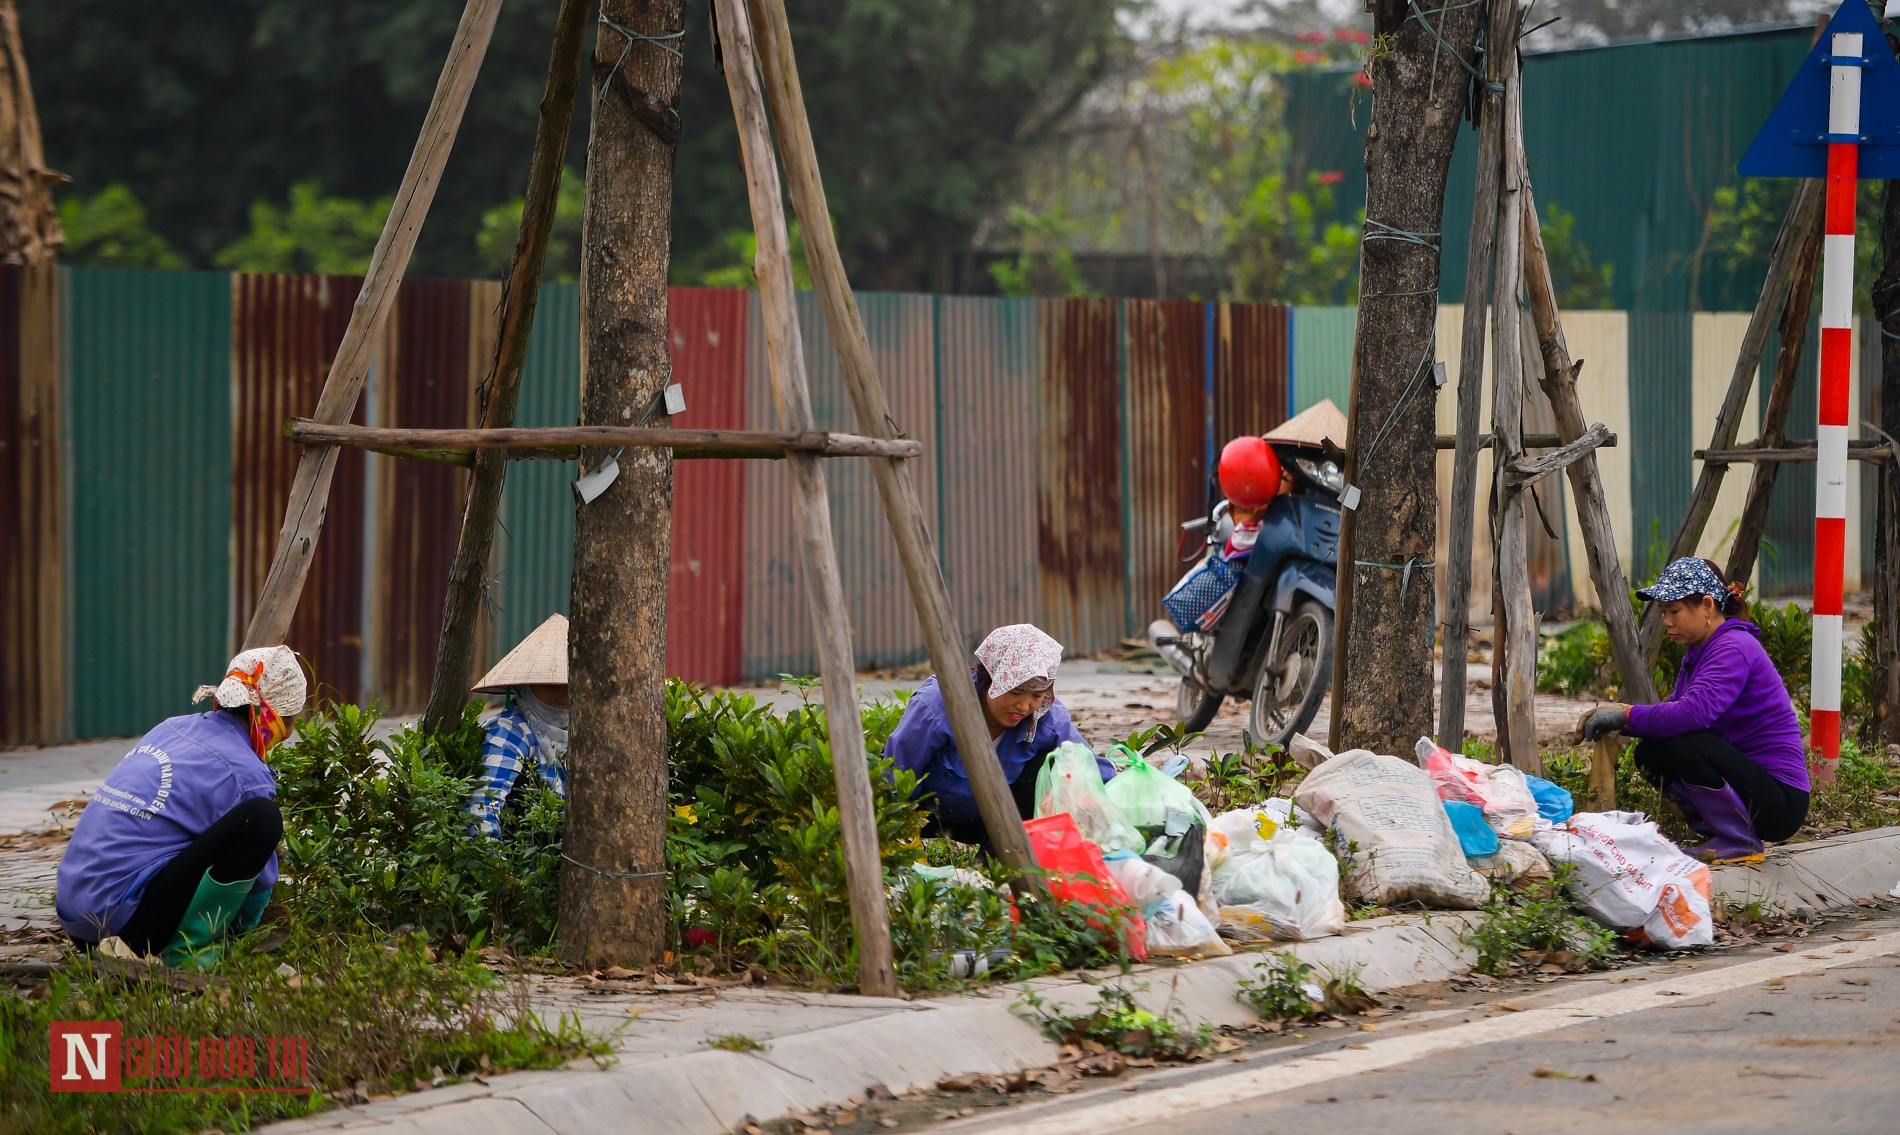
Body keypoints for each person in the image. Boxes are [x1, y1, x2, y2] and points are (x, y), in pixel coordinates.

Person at [55, 646, 305, 966]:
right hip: (123, 929)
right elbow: (261, 880)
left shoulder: (172, 727)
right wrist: (247, 932)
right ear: (282, 721)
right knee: (262, 818)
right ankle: (185, 951)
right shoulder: (246, 774)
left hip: (77, 921)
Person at [1580, 557, 1809, 864]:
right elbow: (1673, 714)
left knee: (1678, 743)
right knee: (1651, 753)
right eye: (1663, 612)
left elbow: (1692, 714)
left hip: (1781, 801)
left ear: (1706, 605)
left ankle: (1738, 839)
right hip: (1755, 788)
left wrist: (1626, 716)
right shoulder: (1701, 651)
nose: (1667, 621)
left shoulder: (1733, 647)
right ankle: (1714, 832)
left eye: (1674, 611)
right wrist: (1624, 721)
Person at [884, 623, 1116, 850]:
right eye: (1015, 692)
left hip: (994, 827)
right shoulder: (940, 704)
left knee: (1053, 764)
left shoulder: (1047, 718)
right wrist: (897, 839)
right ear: (989, 680)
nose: (1025, 706)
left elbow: (1093, 768)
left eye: (1036, 695)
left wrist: (1089, 790)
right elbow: (897, 772)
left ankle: (999, 863)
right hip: (931, 817)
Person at [464, 614, 569, 838]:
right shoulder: (509, 730)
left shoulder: (586, 730)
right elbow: (482, 812)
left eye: (570, 685)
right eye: (551, 686)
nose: (564, 695)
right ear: (527, 686)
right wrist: (498, 869)